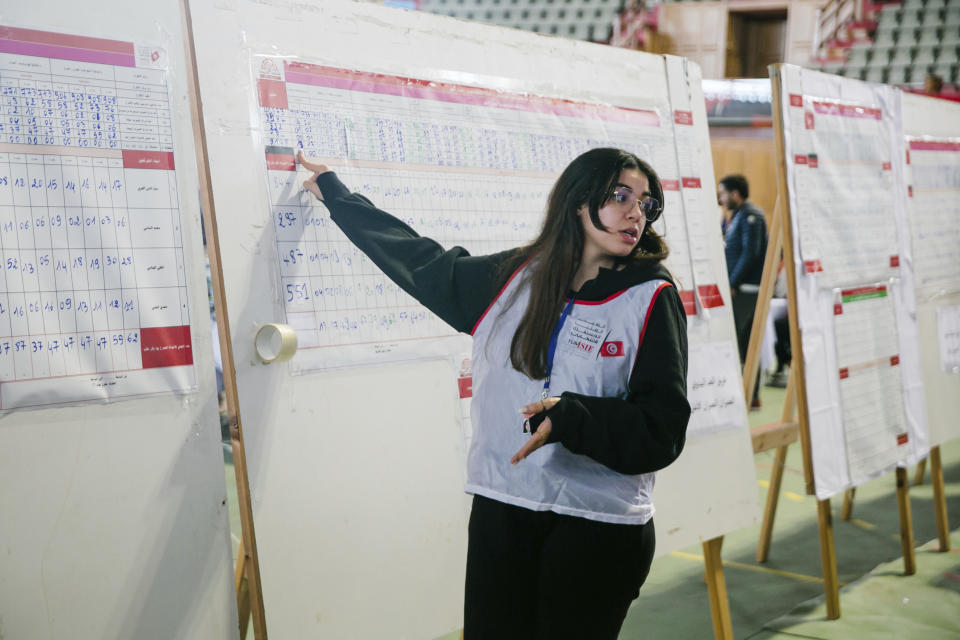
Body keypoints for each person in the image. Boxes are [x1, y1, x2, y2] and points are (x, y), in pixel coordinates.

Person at [299, 147, 690, 640]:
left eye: (646, 203)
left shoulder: (651, 296)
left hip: (596, 525)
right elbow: (417, 258)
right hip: (503, 510)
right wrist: (338, 195)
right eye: (620, 196)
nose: (636, 213)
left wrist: (573, 418)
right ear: (577, 201)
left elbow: (663, 428)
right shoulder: (512, 278)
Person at [717, 174, 767, 408]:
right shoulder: (739, 215)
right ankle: (749, 396)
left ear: (735, 193)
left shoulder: (751, 216)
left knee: (740, 342)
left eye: (723, 193)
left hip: (746, 290)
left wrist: (732, 283)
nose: (721, 198)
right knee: (746, 345)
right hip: (742, 289)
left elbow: (751, 253)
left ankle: (743, 396)